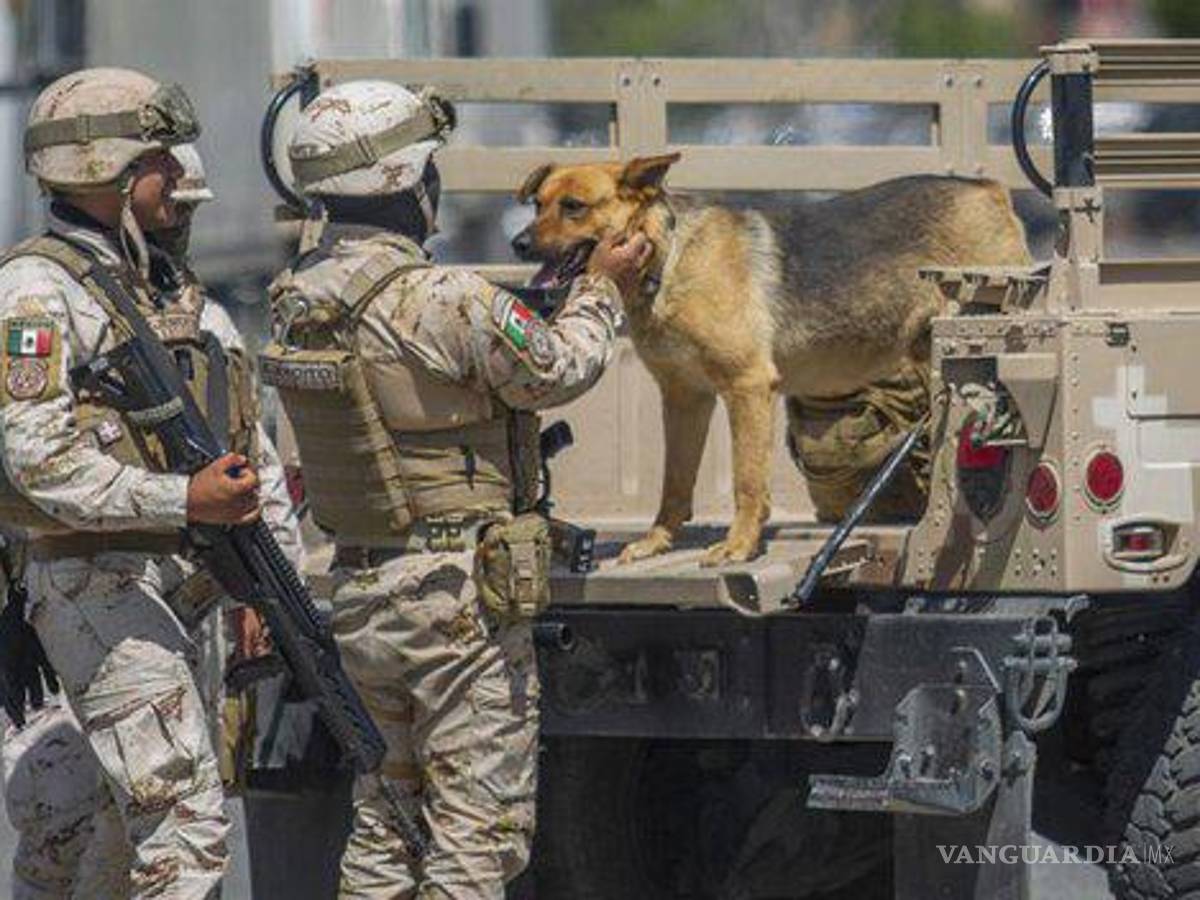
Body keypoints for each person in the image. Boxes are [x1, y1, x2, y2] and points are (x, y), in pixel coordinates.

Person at [265, 79, 649, 898]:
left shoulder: (298, 296)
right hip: (457, 600)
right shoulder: (445, 298)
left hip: (364, 585)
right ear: (410, 184)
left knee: (384, 824)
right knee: (478, 837)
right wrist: (602, 290)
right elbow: (556, 368)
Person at [0, 67, 288, 898]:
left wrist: (267, 590)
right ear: (110, 169)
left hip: (177, 586)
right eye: (162, 159)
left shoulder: (164, 295)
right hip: (95, 581)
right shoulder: (37, 291)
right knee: (183, 824)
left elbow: (247, 449)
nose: (179, 179)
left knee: (112, 840)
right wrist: (181, 501)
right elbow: (38, 458)